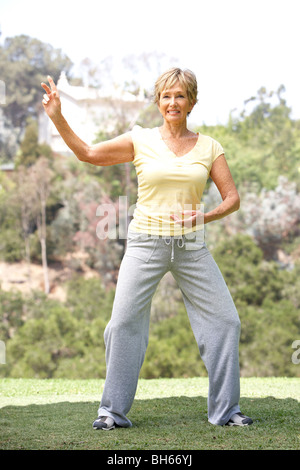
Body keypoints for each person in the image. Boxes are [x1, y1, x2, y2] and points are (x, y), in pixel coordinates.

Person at [41, 68, 253, 429]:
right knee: (123, 324)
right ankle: (112, 412)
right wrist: (58, 117)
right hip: (145, 241)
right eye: (166, 96)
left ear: (191, 102)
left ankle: (225, 411)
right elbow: (89, 154)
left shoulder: (210, 146)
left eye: (181, 96)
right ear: (158, 102)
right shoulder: (140, 139)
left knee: (225, 321)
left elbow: (232, 199)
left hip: (191, 244)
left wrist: (204, 216)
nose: (173, 102)